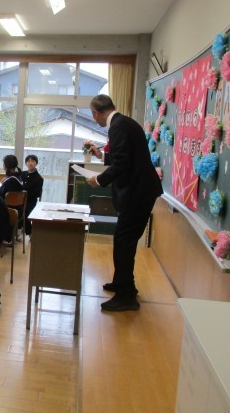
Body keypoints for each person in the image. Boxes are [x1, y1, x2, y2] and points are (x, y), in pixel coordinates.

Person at [85, 94, 163, 312]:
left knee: (124, 242)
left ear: (96, 113)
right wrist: (101, 155)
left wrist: (98, 180)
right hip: (141, 192)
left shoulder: (117, 127)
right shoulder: (125, 123)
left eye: (93, 116)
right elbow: (124, 157)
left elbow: (122, 164)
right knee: (124, 241)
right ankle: (123, 284)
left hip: (137, 193)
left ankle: (126, 295)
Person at [21, 154, 43, 236]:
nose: (30, 163)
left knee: (25, 212)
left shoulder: (39, 178)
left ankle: (30, 232)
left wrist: (25, 192)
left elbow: (36, 194)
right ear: (26, 163)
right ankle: (17, 231)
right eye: (28, 161)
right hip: (20, 200)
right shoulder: (22, 174)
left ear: (36, 163)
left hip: (30, 201)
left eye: (32, 161)